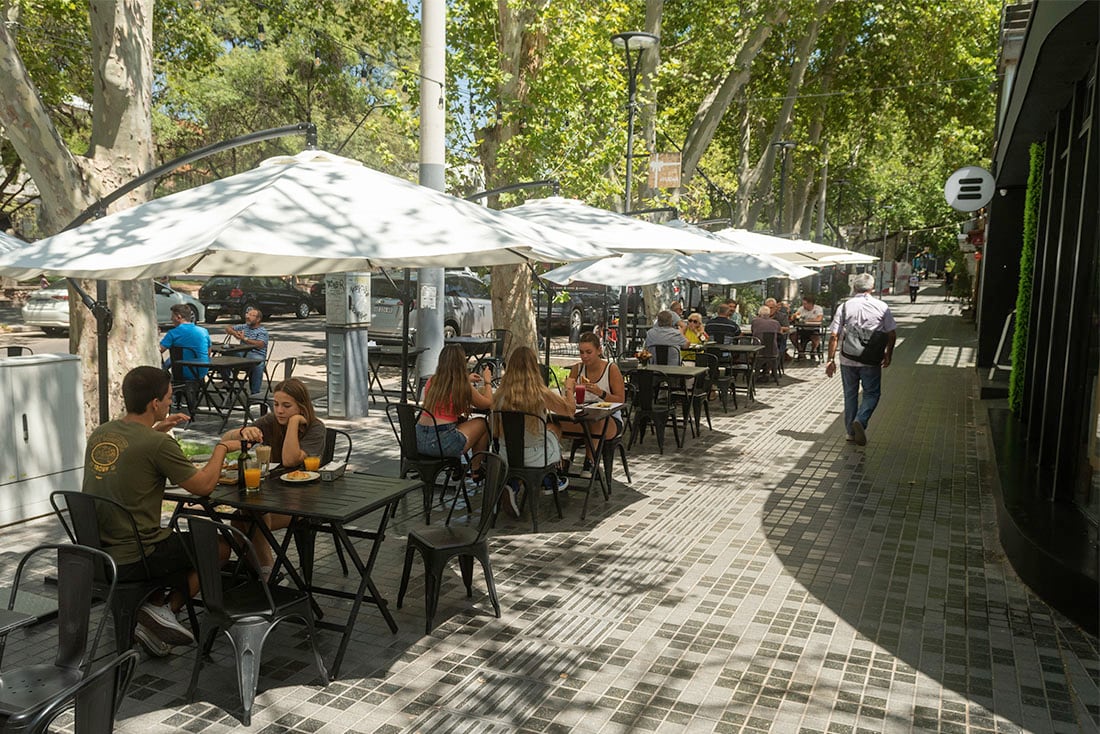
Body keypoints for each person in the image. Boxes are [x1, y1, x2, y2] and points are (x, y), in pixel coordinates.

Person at [83, 366, 243, 657]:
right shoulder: (158, 444)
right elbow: (204, 486)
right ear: (155, 403)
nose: (171, 402)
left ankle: (153, 613)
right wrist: (221, 448)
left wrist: (158, 428)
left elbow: (136, 450)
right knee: (218, 548)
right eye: (168, 398)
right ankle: (165, 612)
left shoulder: (102, 432)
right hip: (136, 554)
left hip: (96, 551)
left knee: (175, 541)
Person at [237, 377, 326, 576]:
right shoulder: (271, 421)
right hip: (275, 494)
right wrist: (244, 431)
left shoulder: (316, 428)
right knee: (239, 517)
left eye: (287, 406)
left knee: (252, 516)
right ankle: (262, 570)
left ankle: (269, 571)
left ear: (302, 407)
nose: (279, 411)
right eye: (276, 404)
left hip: (306, 499)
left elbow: (290, 460)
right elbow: (226, 440)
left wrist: (294, 423)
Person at [491, 346, 574, 513]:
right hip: (534, 458)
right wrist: (569, 388)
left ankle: (513, 485)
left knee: (545, 431)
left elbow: (493, 429)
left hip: (506, 456)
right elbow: (570, 411)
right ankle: (550, 478)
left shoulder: (499, 394)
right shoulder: (540, 393)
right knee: (555, 427)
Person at [825, 272, 897, 446]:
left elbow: (834, 335)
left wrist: (830, 359)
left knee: (850, 395)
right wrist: (888, 354)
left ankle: (850, 432)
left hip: (847, 358)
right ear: (872, 288)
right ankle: (861, 419)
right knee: (872, 393)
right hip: (871, 359)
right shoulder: (882, 306)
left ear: (854, 287)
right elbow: (892, 333)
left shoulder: (844, 307)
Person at [416, 343, 492, 478]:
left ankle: (461, 468)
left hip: (419, 440)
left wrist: (467, 379)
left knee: (462, 422)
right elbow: (487, 403)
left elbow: (447, 384)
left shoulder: (432, 380)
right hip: (442, 444)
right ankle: (476, 469)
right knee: (482, 423)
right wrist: (487, 382)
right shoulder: (462, 385)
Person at [560, 332, 626, 477]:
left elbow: (621, 400)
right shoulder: (577, 369)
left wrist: (600, 393)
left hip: (609, 419)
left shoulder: (611, 369)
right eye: (581, 352)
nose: (584, 356)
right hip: (583, 415)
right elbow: (569, 400)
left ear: (599, 351)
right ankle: (558, 462)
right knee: (554, 423)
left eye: (589, 352)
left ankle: (589, 463)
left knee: (596, 422)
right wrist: (569, 389)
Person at [159, 304, 211, 382]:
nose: (171, 318)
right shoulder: (204, 331)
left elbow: (159, 350)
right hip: (202, 371)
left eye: (172, 316)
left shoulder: (173, 333)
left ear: (178, 317)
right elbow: (208, 351)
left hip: (183, 373)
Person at [225, 306, 269, 395]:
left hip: (256, 355)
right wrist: (235, 333)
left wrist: (244, 339)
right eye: (247, 314)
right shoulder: (244, 326)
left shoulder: (262, 331)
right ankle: (227, 381)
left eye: (251, 315)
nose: (248, 317)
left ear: (258, 319)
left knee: (258, 364)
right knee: (226, 356)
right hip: (242, 354)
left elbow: (260, 345)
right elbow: (227, 328)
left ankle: (255, 393)